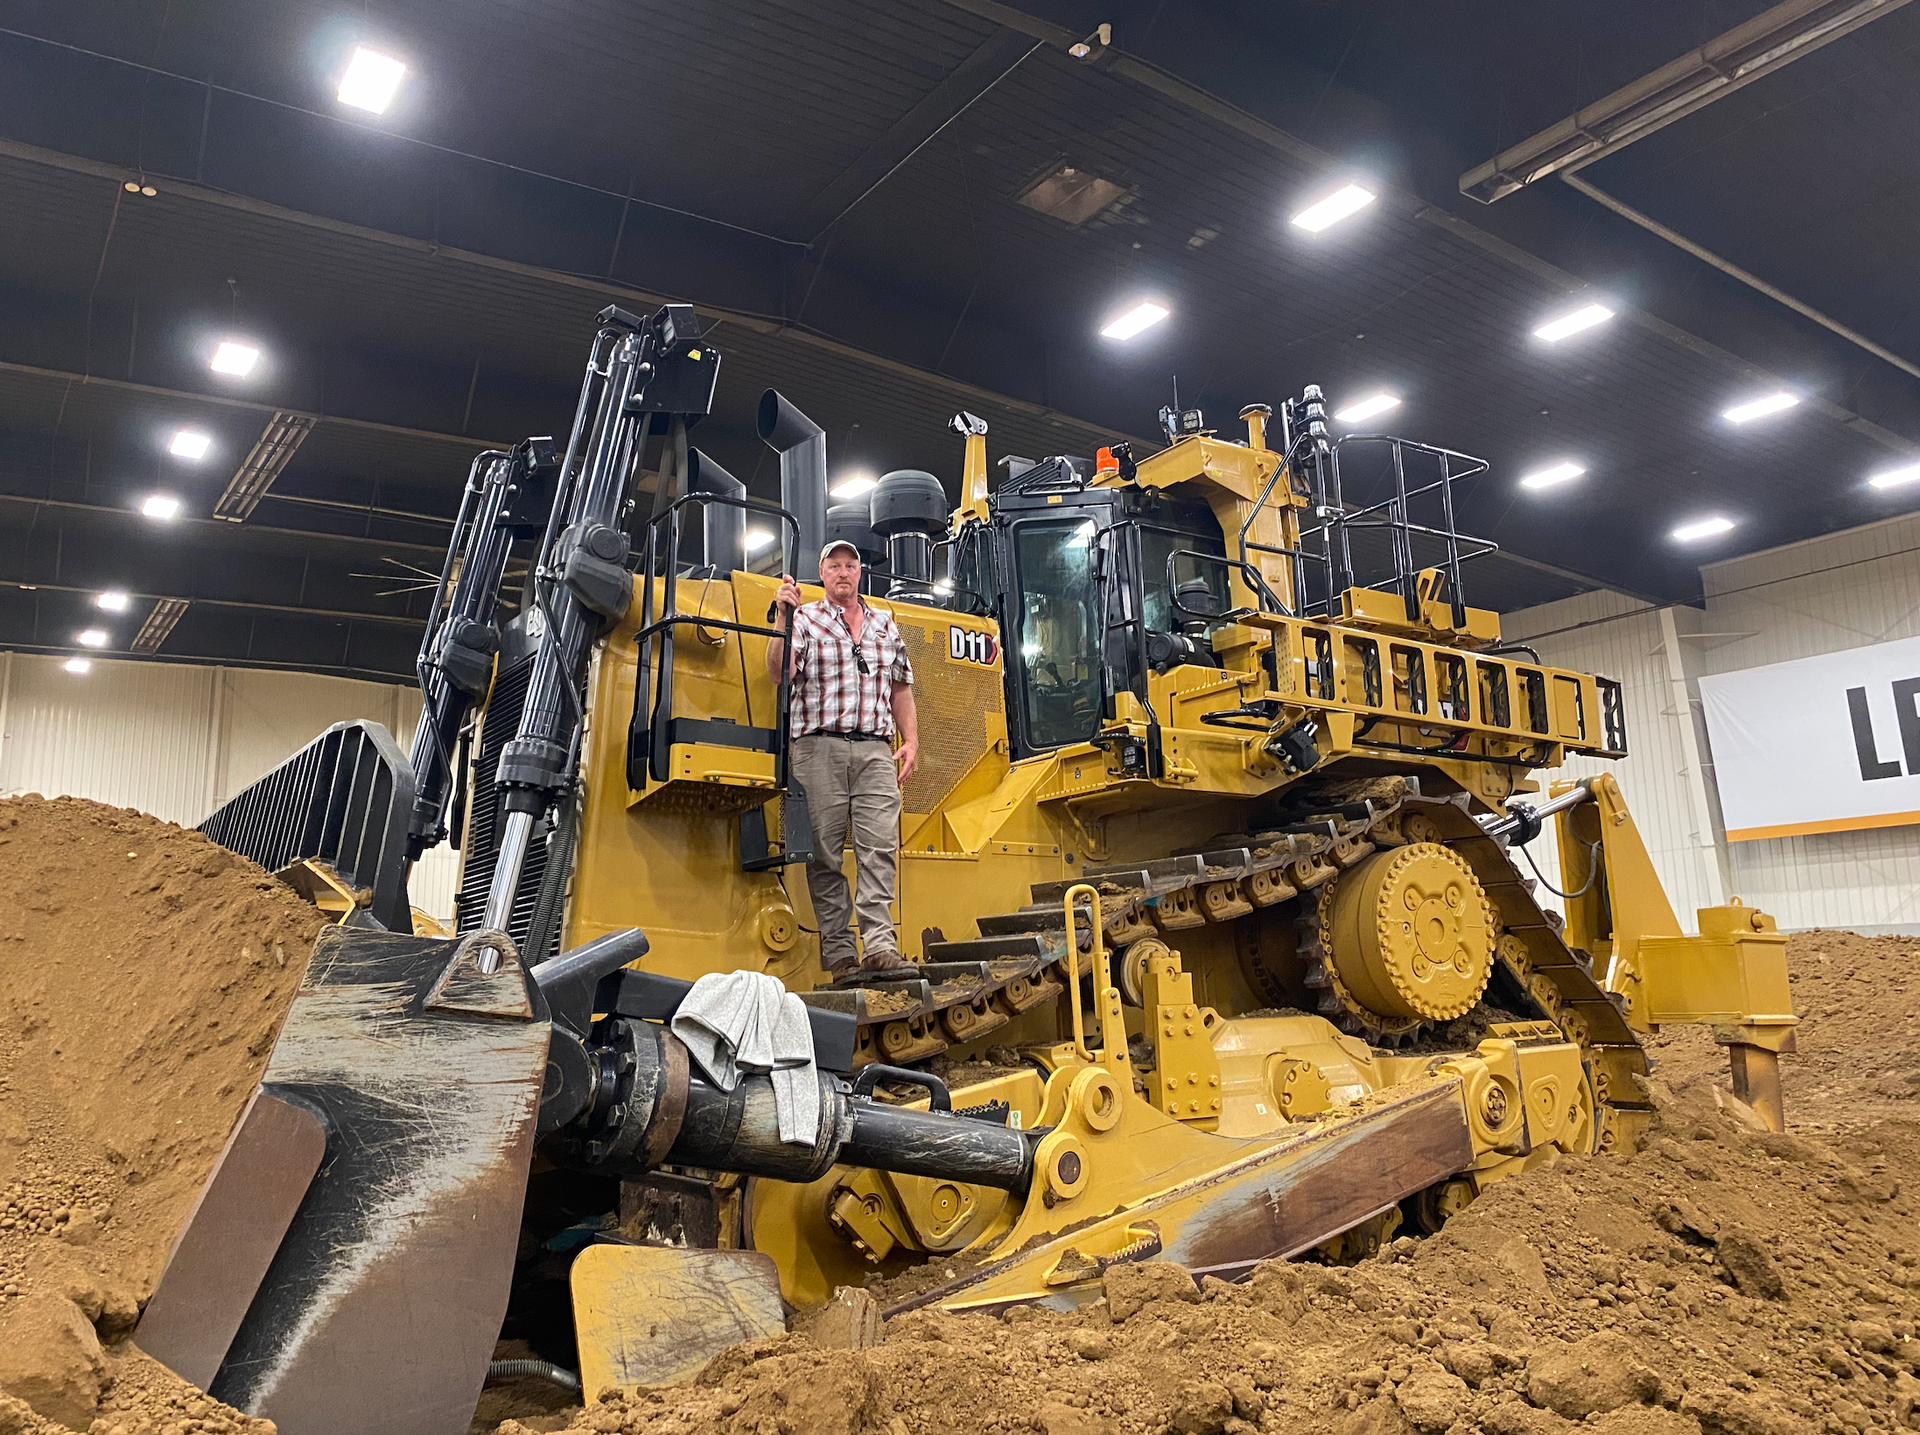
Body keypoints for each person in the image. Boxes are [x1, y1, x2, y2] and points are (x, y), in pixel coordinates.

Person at [767, 540, 920, 979]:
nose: (843, 572)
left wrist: (910, 739)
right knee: (824, 854)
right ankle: (839, 955)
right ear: (822, 573)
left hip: (875, 749)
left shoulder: (885, 624)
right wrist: (782, 616)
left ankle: (879, 947)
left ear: (859, 573)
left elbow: (901, 686)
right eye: (834, 565)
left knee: (879, 848)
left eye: (850, 565)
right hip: (818, 748)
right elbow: (778, 673)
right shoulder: (805, 619)